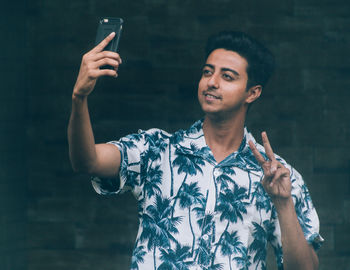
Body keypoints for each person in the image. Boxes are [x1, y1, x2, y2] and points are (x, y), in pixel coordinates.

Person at [68, 31, 323, 270]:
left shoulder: (278, 176)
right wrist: (79, 98)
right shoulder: (156, 150)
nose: (211, 82)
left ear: (252, 93)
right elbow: (87, 161)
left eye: (227, 76)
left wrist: (283, 202)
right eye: (207, 72)